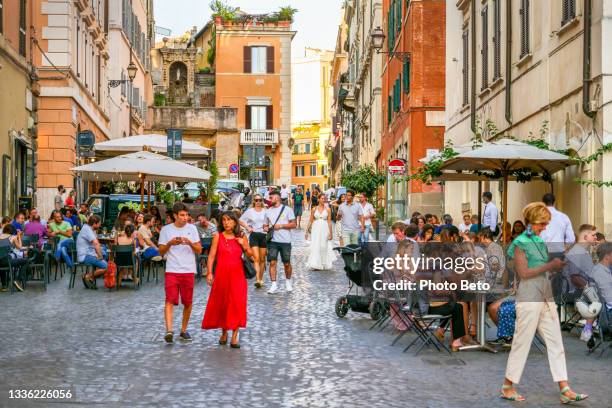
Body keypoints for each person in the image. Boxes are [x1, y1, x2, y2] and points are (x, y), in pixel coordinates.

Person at [500, 202, 587, 403]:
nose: (545, 227)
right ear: (534, 221)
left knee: (556, 342)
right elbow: (524, 273)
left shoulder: (538, 241)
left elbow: (540, 269)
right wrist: (551, 264)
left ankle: (565, 389)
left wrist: (555, 268)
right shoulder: (521, 242)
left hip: (545, 295)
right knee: (522, 343)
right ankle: (507, 386)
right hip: (529, 296)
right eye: (543, 223)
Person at [202, 211, 253, 348]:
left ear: (235, 222)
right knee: (223, 304)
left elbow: (251, 255)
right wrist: (209, 273)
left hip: (238, 276)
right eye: (224, 220)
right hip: (222, 276)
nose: (226, 223)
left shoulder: (241, 236)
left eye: (229, 220)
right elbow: (211, 256)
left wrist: (244, 245)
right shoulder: (217, 237)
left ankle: (235, 336)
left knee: (237, 304)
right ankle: (224, 332)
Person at [158, 203, 202, 344]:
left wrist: (189, 242)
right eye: (182, 215)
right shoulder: (166, 230)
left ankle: (183, 330)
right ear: (175, 216)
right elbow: (161, 252)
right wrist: (170, 243)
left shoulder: (192, 228)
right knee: (169, 300)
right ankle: (169, 330)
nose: (185, 218)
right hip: (172, 269)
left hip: (188, 270)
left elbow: (199, 249)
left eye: (186, 215)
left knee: (188, 302)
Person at [564, 224, 597, 341]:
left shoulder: (583, 251)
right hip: (575, 290)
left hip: (582, 287)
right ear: (585, 236)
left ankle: (593, 325)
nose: (595, 237)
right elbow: (575, 277)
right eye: (593, 235)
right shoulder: (577, 252)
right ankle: (587, 329)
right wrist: (590, 288)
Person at [264, 190, 297, 294]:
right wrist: (266, 228)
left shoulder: (287, 209)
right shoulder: (268, 211)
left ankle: (288, 282)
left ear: (277, 198)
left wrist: (282, 226)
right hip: (272, 241)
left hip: (285, 241)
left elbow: (294, 224)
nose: (269, 200)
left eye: (271, 198)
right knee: (272, 262)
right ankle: (274, 285)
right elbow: (265, 225)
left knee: (287, 263)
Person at [239, 194, 267, 288]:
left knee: (262, 259)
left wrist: (267, 227)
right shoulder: (250, 211)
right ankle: (257, 279)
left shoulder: (265, 211)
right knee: (256, 258)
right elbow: (240, 220)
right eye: (256, 200)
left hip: (264, 235)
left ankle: (261, 278)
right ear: (254, 201)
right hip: (254, 235)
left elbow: (270, 222)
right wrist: (247, 227)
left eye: (260, 200)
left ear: (262, 201)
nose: (258, 202)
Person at [305, 194, 336, 270]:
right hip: (316, 228)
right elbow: (310, 220)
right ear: (318, 199)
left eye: (324, 198)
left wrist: (331, 233)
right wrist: (306, 231)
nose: (323, 200)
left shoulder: (328, 209)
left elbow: (329, 222)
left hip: (325, 228)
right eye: (322, 198)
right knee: (316, 245)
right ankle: (315, 264)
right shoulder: (314, 209)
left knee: (323, 245)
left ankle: (323, 263)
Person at [539, 193, 575, 257]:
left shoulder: (537, 217)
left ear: (542, 203)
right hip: (558, 253)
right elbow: (571, 239)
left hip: (541, 253)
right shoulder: (564, 217)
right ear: (554, 202)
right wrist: (564, 249)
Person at [77, 215, 107, 289]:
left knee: (104, 252)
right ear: (94, 223)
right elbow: (96, 243)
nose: (100, 225)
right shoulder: (87, 230)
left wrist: (99, 253)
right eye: (99, 223)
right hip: (85, 256)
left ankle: (92, 277)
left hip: (89, 254)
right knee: (107, 267)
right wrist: (100, 256)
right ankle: (88, 276)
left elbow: (96, 242)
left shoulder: (90, 229)